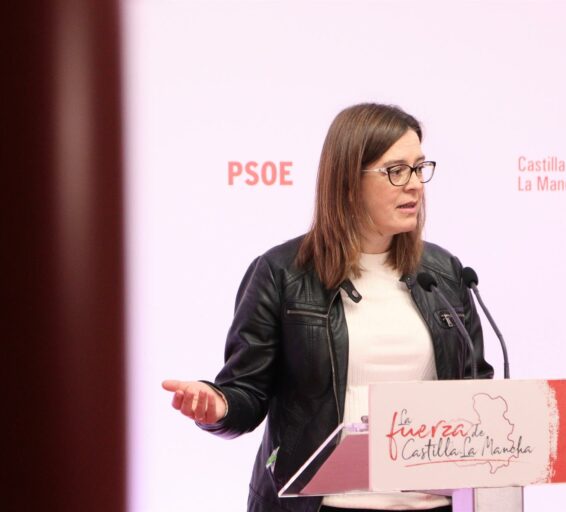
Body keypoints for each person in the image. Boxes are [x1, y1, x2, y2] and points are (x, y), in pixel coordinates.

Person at [162, 103, 494, 512]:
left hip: (433, 505)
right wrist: (218, 405)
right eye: (396, 171)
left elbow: (475, 386)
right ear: (348, 180)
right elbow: (246, 392)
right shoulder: (282, 273)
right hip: (322, 505)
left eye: (419, 168)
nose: (414, 185)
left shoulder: (444, 273)